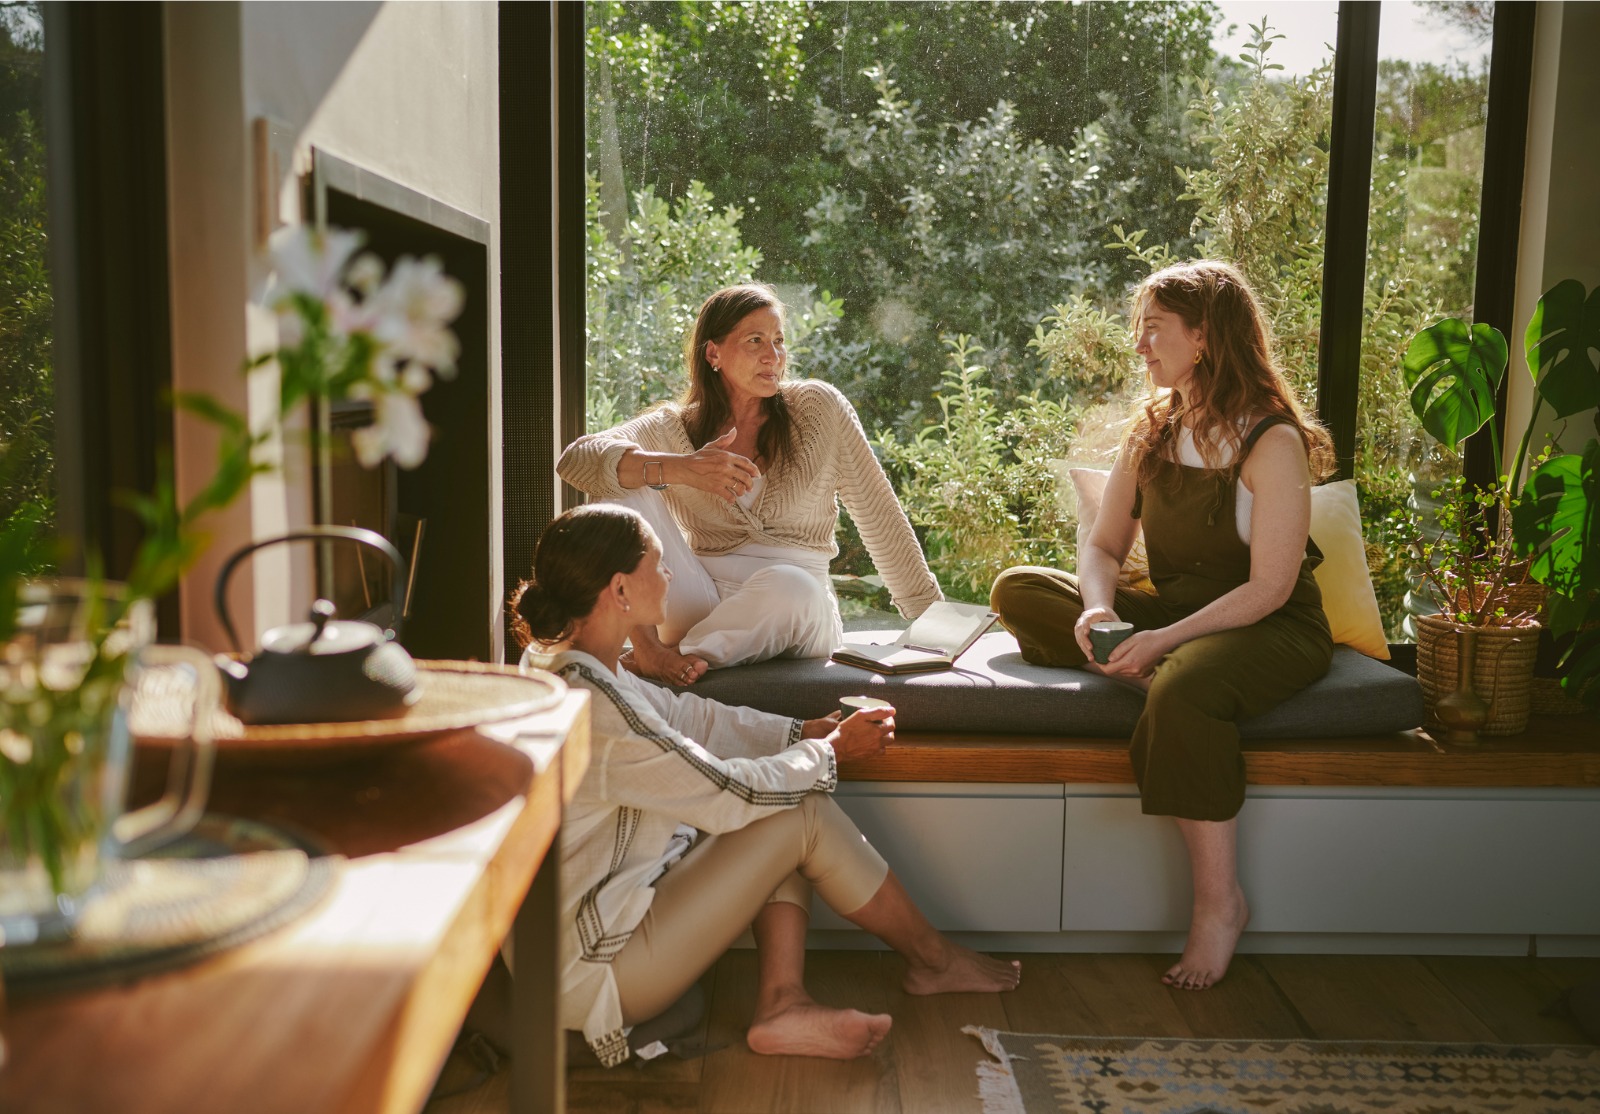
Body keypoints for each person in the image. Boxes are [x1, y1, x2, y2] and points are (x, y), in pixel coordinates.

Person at [512, 503, 1019, 1066]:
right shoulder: (597, 710)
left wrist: (800, 731)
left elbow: (690, 718)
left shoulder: (570, 666)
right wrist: (827, 751)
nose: (670, 575)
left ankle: (786, 1004)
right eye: (657, 563)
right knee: (793, 809)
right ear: (620, 590)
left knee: (788, 794)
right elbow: (735, 795)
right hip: (588, 970)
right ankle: (930, 960)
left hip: (574, 931)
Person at [990, 260, 1335, 991]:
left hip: (1269, 626)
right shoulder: (1152, 428)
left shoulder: (1271, 442)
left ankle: (1219, 905)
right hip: (1179, 616)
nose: (1139, 347)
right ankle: (1147, 668)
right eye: (1138, 331)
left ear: (1204, 337)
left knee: (1182, 691)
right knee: (1019, 589)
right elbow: (1104, 547)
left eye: (1154, 331)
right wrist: (1097, 609)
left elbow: (1271, 589)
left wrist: (1164, 642)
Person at [557, 283, 940, 686]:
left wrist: (930, 616)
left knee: (791, 586)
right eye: (754, 340)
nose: (772, 356)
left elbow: (879, 512)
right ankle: (650, 648)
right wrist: (681, 468)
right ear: (713, 353)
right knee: (620, 478)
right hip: (699, 596)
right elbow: (578, 461)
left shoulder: (817, 407)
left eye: (778, 341)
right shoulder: (675, 428)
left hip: (796, 605)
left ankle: (673, 659)